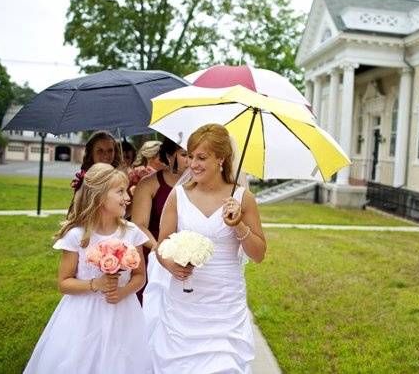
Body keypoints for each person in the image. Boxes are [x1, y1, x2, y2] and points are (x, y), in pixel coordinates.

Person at [144, 123, 266, 374]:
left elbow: (259, 254)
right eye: (190, 156)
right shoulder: (179, 196)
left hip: (225, 305)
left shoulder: (242, 199)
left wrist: (239, 225)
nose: (192, 164)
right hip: (184, 304)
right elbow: (161, 245)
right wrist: (171, 265)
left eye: (201, 157)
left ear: (221, 158)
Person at [24, 163, 151, 374]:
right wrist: (96, 284)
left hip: (123, 313)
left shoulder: (131, 232)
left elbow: (139, 277)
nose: (128, 197)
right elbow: (64, 283)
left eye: (127, 190)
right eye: (120, 191)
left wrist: (121, 292)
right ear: (100, 197)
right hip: (82, 316)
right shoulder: (77, 236)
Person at [131, 137, 190, 304]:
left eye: (193, 155)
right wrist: (160, 250)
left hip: (187, 257)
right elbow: (138, 225)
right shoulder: (149, 184)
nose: (190, 161)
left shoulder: (198, 186)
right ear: (169, 156)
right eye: (184, 154)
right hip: (152, 251)